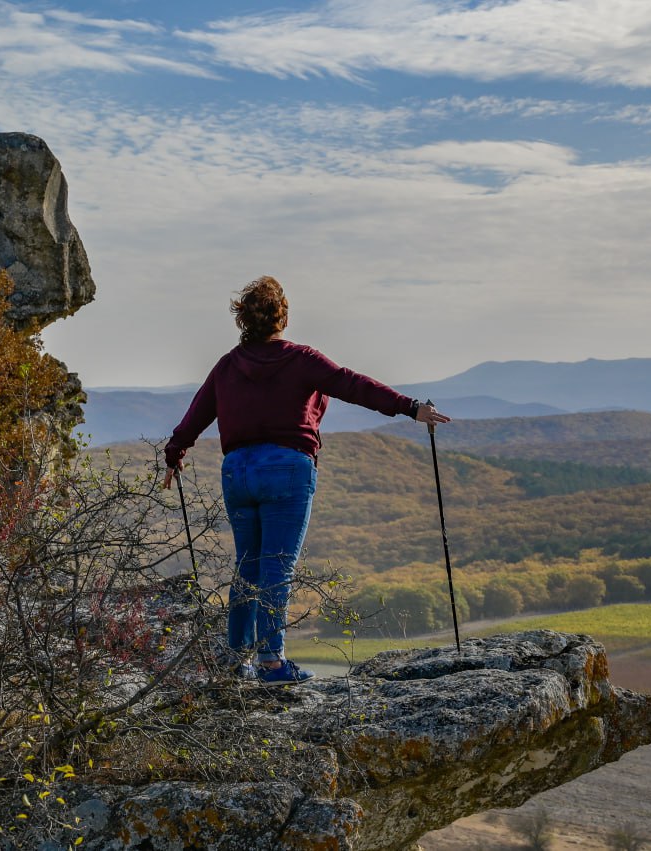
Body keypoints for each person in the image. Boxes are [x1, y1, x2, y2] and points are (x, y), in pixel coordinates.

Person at [162, 276, 449, 684]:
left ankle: (234, 660)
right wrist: (411, 407)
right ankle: (272, 662)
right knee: (278, 564)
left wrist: (174, 454)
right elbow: (353, 385)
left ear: (242, 320)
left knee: (248, 566)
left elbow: (195, 415)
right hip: (287, 468)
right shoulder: (301, 359)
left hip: (238, 472)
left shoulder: (227, 365)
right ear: (283, 316)